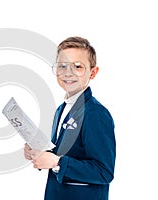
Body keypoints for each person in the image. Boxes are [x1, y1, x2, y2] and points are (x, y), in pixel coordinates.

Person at [24, 36, 116, 200]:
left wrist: (57, 163)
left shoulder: (96, 113)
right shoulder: (61, 109)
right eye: (62, 66)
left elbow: (104, 172)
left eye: (78, 66)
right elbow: (62, 153)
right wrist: (40, 154)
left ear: (93, 72)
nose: (68, 73)